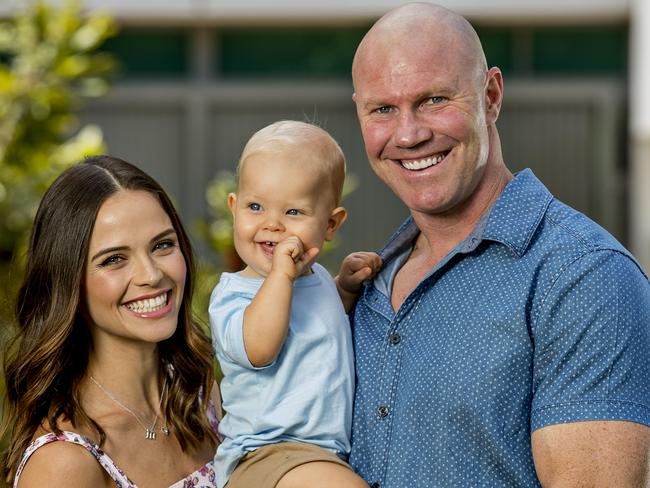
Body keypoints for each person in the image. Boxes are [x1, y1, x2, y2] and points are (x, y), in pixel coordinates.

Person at [348, 3, 650, 487]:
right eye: (383, 109)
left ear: (490, 96)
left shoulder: (582, 275)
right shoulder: (365, 284)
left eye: (434, 100)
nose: (409, 133)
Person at [1, 155, 221, 487]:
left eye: (162, 245)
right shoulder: (64, 464)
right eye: (114, 259)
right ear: (69, 281)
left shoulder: (201, 396)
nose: (151, 275)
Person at [209, 120, 380, 488]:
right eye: (256, 207)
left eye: (293, 213)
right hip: (265, 453)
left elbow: (316, 325)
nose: (272, 225)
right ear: (233, 208)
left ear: (331, 225)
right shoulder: (233, 295)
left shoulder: (315, 280)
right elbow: (260, 348)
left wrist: (344, 290)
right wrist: (281, 277)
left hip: (317, 455)